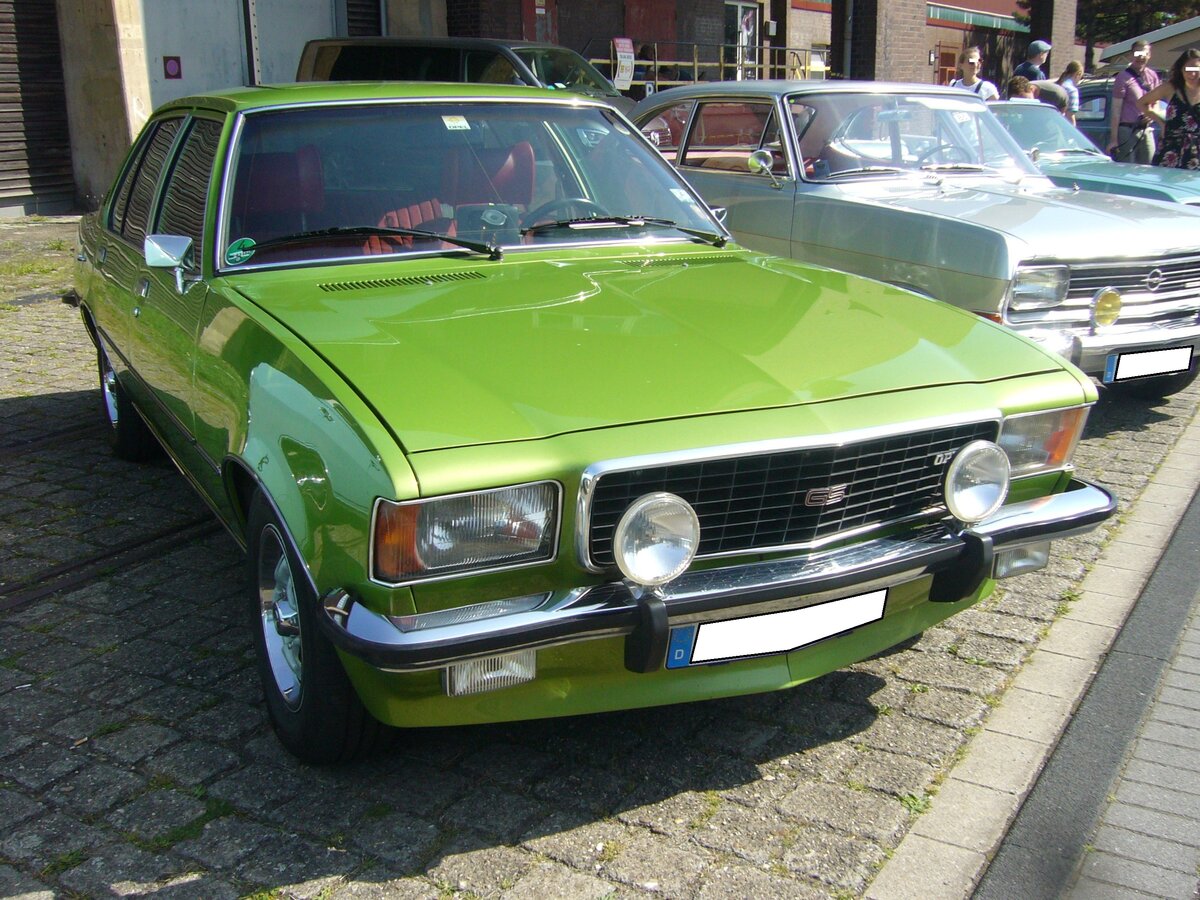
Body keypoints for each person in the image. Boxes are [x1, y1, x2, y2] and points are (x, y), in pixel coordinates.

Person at [1138, 47, 1200, 169]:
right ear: (1181, 69)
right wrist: (1161, 123)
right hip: (1171, 148)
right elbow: (1141, 103)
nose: (1192, 74)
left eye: (1196, 69)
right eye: (1188, 69)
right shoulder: (1170, 88)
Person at [1107, 40, 1161, 163]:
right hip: (1127, 130)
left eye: (1144, 54)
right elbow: (1116, 110)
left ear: (1149, 55)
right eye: (1137, 53)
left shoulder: (1153, 76)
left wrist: (1152, 115)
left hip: (1146, 129)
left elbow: (1157, 102)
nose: (1141, 57)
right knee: (1127, 168)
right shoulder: (1123, 77)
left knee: (1149, 167)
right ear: (1131, 55)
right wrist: (1114, 140)